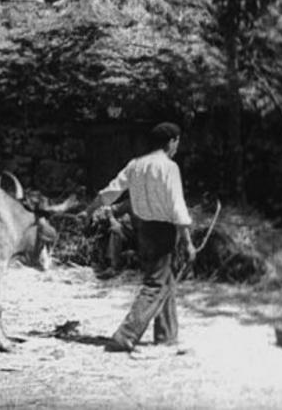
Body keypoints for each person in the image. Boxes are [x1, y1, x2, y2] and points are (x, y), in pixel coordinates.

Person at [79, 122, 196, 352]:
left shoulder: (135, 165)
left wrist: (89, 210)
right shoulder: (169, 167)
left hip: (143, 230)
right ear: (171, 141)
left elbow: (110, 192)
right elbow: (177, 206)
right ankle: (126, 335)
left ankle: (166, 336)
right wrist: (188, 241)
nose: (177, 148)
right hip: (163, 230)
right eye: (177, 143)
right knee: (155, 283)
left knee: (166, 279)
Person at [94, 197, 135, 279]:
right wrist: (111, 219)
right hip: (133, 235)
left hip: (150, 236)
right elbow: (111, 209)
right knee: (115, 229)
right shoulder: (131, 202)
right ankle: (113, 266)